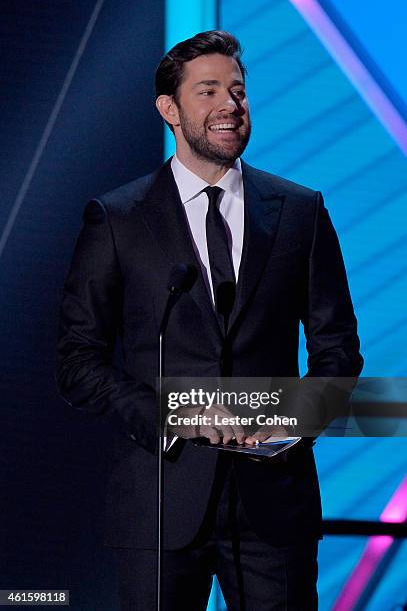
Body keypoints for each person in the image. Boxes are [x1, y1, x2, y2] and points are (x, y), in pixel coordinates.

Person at [57, 30, 363, 610]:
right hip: (161, 504)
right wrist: (177, 418)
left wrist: (289, 424)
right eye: (209, 92)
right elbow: (77, 361)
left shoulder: (301, 212)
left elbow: (338, 352)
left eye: (239, 91)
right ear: (169, 109)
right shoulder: (118, 218)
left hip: (274, 506)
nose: (230, 105)